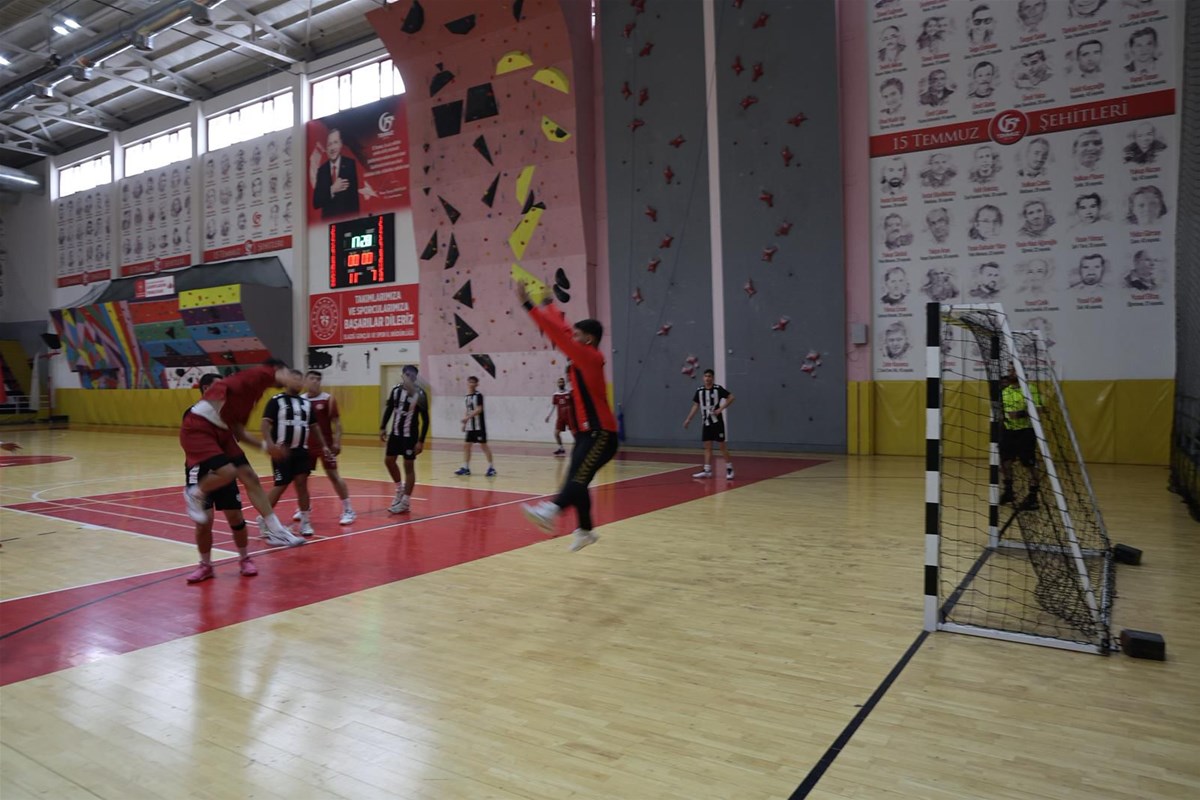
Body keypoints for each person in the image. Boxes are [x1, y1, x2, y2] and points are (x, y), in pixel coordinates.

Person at [516, 283, 619, 552]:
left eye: (578, 335)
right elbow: (562, 329)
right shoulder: (582, 352)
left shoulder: (590, 356)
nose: (572, 337)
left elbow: (558, 335)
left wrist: (528, 305)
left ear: (589, 339)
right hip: (586, 434)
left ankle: (552, 510)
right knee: (577, 481)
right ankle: (585, 530)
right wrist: (548, 303)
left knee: (576, 480)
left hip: (601, 434)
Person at [179, 359, 307, 566]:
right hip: (199, 428)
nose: (290, 379)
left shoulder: (254, 396)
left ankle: (275, 530)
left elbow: (238, 431)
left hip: (223, 433)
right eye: (288, 374)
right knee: (228, 472)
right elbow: (267, 375)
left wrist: (266, 448)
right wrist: (298, 381)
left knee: (250, 477)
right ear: (276, 370)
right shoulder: (259, 375)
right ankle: (195, 493)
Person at [184, 374, 256, 584]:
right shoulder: (193, 413)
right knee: (203, 522)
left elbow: (237, 438)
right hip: (201, 472)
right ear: (207, 388)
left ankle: (244, 558)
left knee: (235, 517)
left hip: (224, 470)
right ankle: (205, 565)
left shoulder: (228, 412)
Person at [260, 370, 328, 538]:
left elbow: (314, 427)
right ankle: (264, 519)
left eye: (300, 380)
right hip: (282, 452)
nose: (298, 383)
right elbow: (265, 424)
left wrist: (324, 446)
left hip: (301, 451)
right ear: (287, 382)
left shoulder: (306, 404)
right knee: (280, 485)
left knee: (302, 484)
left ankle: (305, 522)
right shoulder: (276, 401)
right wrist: (269, 444)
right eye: (294, 380)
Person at [299, 370, 356, 525]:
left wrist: (337, 442)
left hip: (325, 446)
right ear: (305, 381)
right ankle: (304, 507)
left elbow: (337, 424)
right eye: (312, 378)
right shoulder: (300, 400)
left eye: (318, 379)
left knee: (334, 476)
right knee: (301, 478)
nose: (315, 381)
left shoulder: (327, 399)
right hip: (305, 446)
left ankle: (348, 510)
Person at [380, 365, 429, 514]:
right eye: (407, 374)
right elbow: (389, 409)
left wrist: (421, 441)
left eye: (412, 375)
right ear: (403, 375)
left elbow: (425, 419)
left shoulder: (420, 394)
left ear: (415, 377)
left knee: (408, 466)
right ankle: (399, 490)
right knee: (389, 461)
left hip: (410, 436)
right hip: (395, 433)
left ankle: (406, 502)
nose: (409, 377)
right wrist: (383, 427)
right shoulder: (395, 390)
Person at [1000, 364, 1041, 508]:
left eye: (1013, 370)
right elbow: (1003, 412)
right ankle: (1009, 491)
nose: (1010, 373)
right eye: (1009, 370)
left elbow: (1039, 410)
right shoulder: (1005, 392)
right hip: (1009, 431)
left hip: (1026, 431)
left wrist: (1020, 414)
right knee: (1005, 462)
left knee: (1029, 464)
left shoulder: (1030, 389)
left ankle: (1033, 497)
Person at [683, 369, 736, 480]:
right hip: (706, 423)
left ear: (713, 378)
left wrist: (721, 409)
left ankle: (729, 468)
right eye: (706, 376)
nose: (707, 378)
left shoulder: (717, 389)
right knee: (707, 447)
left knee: (722, 446)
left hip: (717, 423)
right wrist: (688, 419)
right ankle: (707, 470)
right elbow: (695, 405)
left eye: (709, 376)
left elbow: (731, 397)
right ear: (703, 378)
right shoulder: (700, 390)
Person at [310, 128, 360, 220]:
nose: (332, 148)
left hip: (348, 220)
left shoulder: (350, 164)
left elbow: (354, 199)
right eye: (329, 144)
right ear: (326, 148)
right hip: (328, 223)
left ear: (341, 144)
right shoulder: (322, 171)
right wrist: (332, 189)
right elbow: (316, 202)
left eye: (335, 142)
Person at [456, 375, 496, 477]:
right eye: (470, 382)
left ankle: (491, 468)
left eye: (473, 382)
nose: (471, 384)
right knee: (466, 446)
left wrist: (467, 418)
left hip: (479, 426)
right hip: (470, 427)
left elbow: (479, 409)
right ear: (467, 383)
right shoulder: (466, 397)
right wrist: (465, 424)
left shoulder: (478, 396)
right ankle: (466, 468)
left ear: (477, 384)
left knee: (483, 446)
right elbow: (467, 410)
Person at [546, 375, 577, 456]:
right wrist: (548, 416)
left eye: (562, 382)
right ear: (557, 384)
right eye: (559, 382)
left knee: (574, 433)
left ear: (564, 383)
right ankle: (561, 448)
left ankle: (579, 448)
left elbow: (575, 404)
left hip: (569, 416)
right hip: (561, 417)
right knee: (556, 433)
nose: (561, 383)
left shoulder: (569, 393)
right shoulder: (555, 395)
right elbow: (553, 406)